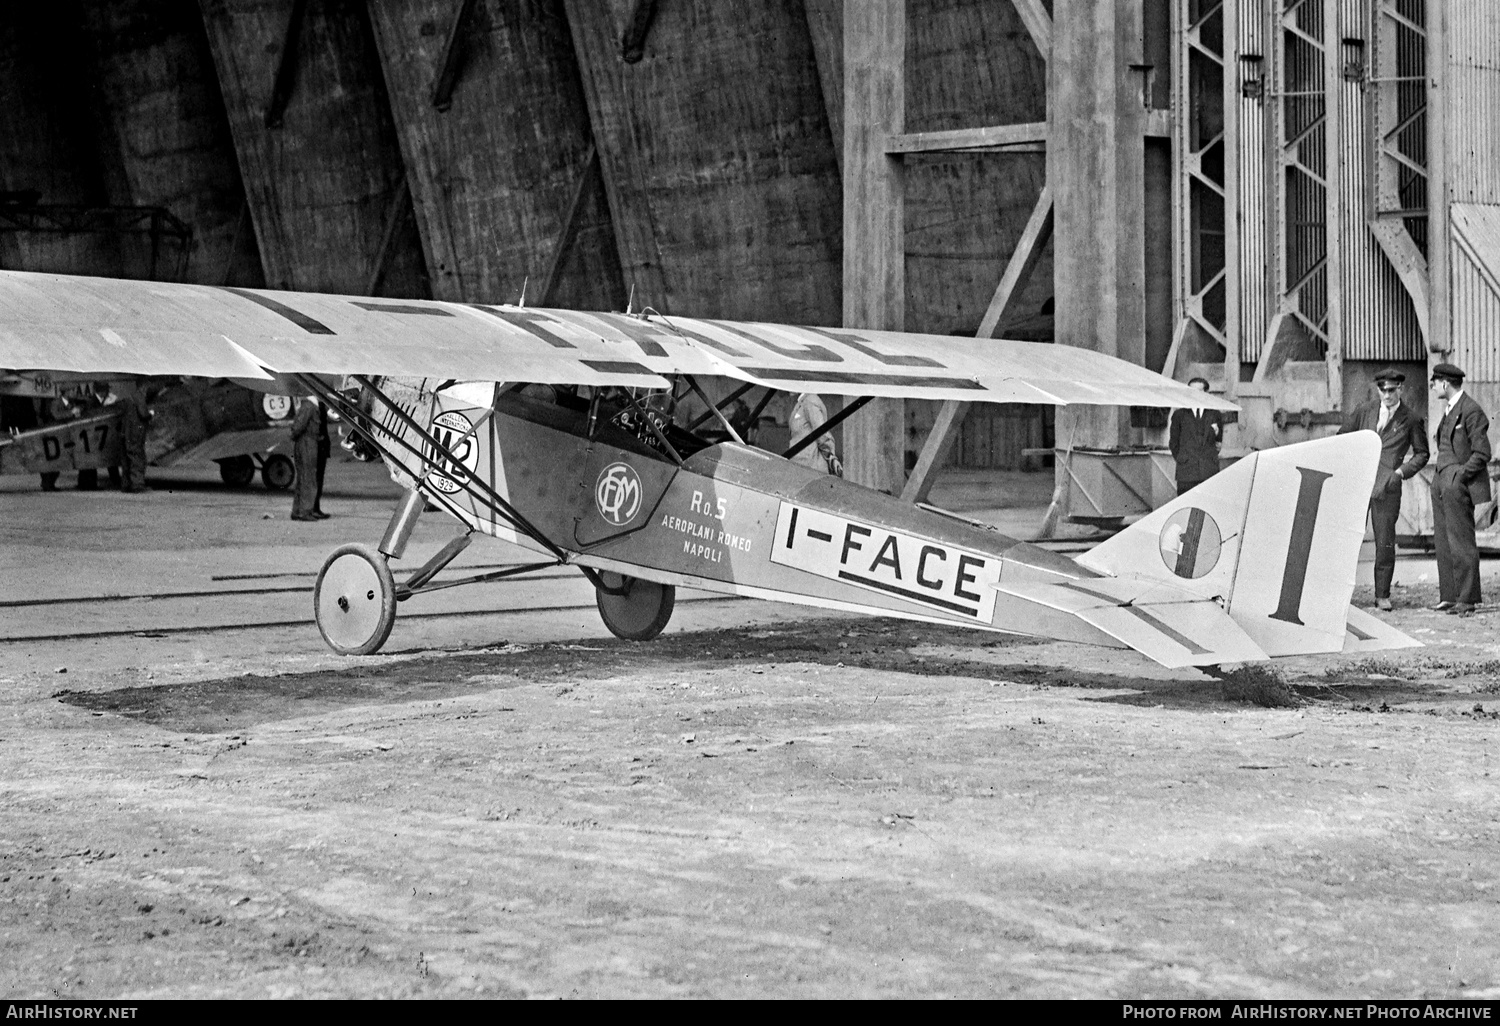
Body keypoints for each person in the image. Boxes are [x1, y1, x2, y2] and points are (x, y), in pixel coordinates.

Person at [1339, 368, 1429, 611]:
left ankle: (1382, 595)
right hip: (1359, 484)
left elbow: (1422, 454)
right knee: (1346, 539)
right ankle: (1339, 594)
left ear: (1400, 389)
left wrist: (1400, 473)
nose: (1387, 395)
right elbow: (1342, 439)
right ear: (1377, 389)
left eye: (1392, 390)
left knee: (1385, 543)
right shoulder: (1364, 411)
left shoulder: (1411, 419)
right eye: (1383, 390)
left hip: (1387, 488)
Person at [1429, 363, 1491, 615]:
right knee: (1443, 541)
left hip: (1455, 482)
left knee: (1461, 540)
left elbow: (1483, 452)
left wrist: (1459, 476)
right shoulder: (1450, 410)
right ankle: (1450, 596)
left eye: (1435, 382)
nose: (1432, 387)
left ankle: (1466, 598)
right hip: (1441, 481)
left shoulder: (1471, 410)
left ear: (1445, 383)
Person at [1168, 377, 1222, 495]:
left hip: (1209, 471)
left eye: (1198, 391)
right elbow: (1173, 443)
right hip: (1186, 473)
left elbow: (1218, 443)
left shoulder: (1215, 414)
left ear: (1206, 393)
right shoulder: (1179, 415)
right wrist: (1184, 460)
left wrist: (1207, 458)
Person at [289, 396, 326, 521]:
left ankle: (297, 510)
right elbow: (299, 426)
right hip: (307, 443)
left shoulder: (308, 405)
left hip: (307, 441)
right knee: (308, 477)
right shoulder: (309, 406)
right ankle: (305, 511)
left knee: (303, 478)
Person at [789, 392, 841, 476]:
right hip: (800, 465)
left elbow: (821, 431)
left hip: (810, 466)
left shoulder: (810, 400)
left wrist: (830, 456)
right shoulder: (801, 403)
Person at [116, 384, 151, 493]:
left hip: (124, 432)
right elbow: (143, 414)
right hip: (134, 433)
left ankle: (126, 484)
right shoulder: (139, 397)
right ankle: (137, 484)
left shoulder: (127, 398)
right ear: (143, 387)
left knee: (126, 459)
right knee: (137, 457)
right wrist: (151, 414)